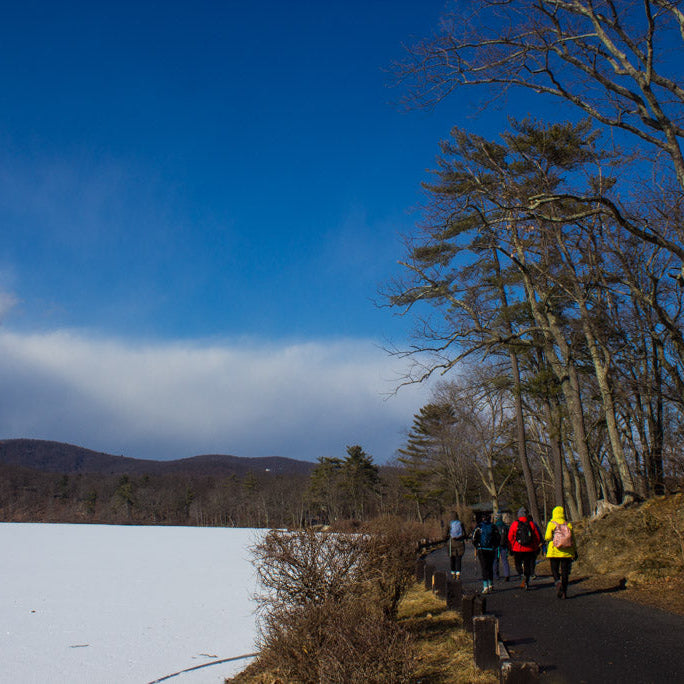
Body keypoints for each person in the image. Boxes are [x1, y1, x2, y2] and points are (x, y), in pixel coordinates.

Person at [544, 505, 577, 599]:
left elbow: (547, 537)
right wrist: (574, 551)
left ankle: (558, 582)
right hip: (566, 552)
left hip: (554, 551)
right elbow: (573, 539)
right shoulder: (568, 524)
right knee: (565, 571)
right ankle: (564, 590)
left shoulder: (551, 523)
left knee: (554, 569)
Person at [508, 507, 541, 590]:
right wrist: (535, 546)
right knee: (527, 565)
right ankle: (526, 580)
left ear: (519, 515)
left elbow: (510, 537)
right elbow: (537, 537)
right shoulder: (531, 524)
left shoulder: (515, 524)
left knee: (518, 564)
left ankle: (521, 574)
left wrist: (512, 546)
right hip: (529, 549)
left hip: (518, 548)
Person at [472, 513, 500, 594]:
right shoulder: (493, 526)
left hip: (482, 549)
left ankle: (485, 586)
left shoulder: (479, 527)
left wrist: (477, 546)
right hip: (491, 549)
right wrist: (494, 546)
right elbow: (498, 537)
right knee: (490, 566)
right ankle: (491, 584)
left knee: (484, 567)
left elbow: (474, 538)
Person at [447, 512, 467, 580]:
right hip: (460, 543)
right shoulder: (461, 523)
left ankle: (453, 573)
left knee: (452, 558)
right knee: (458, 559)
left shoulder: (449, 524)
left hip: (451, 543)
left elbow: (445, 534)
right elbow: (465, 533)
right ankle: (458, 573)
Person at [494, 513, 511, 582]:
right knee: (505, 560)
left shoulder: (494, 526)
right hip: (504, 545)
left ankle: (496, 575)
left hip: (496, 546)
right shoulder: (505, 526)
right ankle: (507, 574)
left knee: (495, 560)